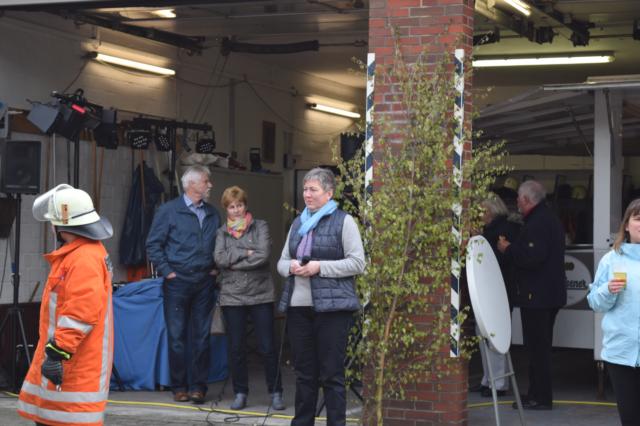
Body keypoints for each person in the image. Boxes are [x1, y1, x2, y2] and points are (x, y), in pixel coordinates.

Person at [18, 184, 114, 426]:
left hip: (73, 363)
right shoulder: (82, 254)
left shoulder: (83, 259)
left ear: (61, 224)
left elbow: (80, 313)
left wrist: (57, 352)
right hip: (70, 361)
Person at [277, 167, 365, 425]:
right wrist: (291, 266)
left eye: (313, 189)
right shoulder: (298, 223)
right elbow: (281, 262)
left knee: (332, 375)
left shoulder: (344, 222)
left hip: (332, 310)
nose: (307, 194)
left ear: (328, 193)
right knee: (304, 374)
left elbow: (357, 263)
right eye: (305, 189)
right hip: (298, 308)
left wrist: (319, 267)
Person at [146, 165, 221, 404]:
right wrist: (168, 272)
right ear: (192, 184)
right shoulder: (169, 211)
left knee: (202, 336)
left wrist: (216, 267)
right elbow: (153, 244)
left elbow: (220, 243)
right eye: (206, 181)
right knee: (177, 336)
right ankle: (179, 386)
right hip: (177, 282)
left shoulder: (212, 213)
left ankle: (198, 387)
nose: (209, 185)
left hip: (204, 281)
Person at [214, 186, 285, 411]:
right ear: (226, 209)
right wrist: (245, 252)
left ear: (246, 205)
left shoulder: (260, 226)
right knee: (236, 348)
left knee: (267, 346)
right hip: (232, 296)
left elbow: (263, 256)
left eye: (240, 205)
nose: (236, 210)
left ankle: (276, 392)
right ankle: (240, 393)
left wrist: (233, 262)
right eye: (231, 207)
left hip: (260, 294)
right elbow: (219, 259)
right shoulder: (221, 232)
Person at [497, 180, 566, 410]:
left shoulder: (538, 222)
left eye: (518, 197)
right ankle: (535, 393)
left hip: (537, 296)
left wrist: (508, 249)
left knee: (538, 349)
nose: (516, 201)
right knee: (538, 347)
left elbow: (532, 257)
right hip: (547, 295)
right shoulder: (548, 218)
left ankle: (541, 397)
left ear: (526, 199)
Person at [587, 199, 640, 426]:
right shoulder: (611, 260)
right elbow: (595, 303)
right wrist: (608, 290)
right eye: (638, 218)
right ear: (626, 225)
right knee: (630, 419)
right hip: (621, 353)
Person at [470, 195, 520, 398]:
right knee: (483, 334)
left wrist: (477, 240)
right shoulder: (492, 229)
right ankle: (488, 379)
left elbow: (497, 260)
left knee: (494, 336)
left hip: (498, 291)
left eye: (481, 210)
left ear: (490, 210)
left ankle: (498, 382)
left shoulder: (502, 230)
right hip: (489, 290)